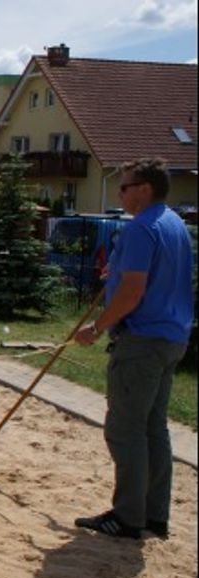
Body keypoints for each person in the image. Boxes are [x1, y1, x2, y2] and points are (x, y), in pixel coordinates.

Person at [72, 157, 194, 540]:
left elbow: (133, 291)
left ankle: (128, 517)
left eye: (124, 187)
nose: (121, 193)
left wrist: (98, 326)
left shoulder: (143, 227)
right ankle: (154, 515)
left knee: (125, 430)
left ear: (144, 189)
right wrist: (119, 270)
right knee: (153, 427)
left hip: (142, 340)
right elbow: (146, 274)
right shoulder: (174, 223)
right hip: (173, 337)